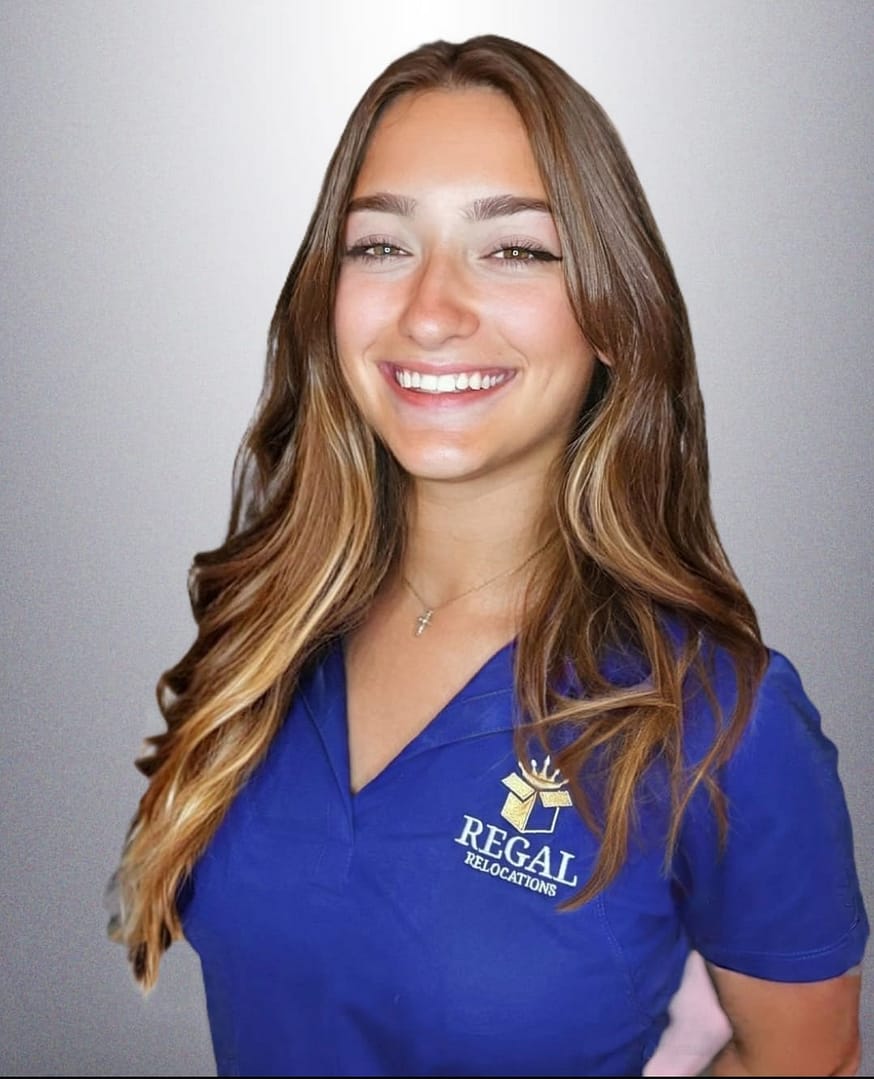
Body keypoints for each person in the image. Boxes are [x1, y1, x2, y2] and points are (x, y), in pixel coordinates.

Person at [109, 34, 868, 1077]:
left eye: (513, 250)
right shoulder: (268, 634)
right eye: (380, 246)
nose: (430, 312)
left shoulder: (722, 722)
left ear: (613, 313)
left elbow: (807, 1058)